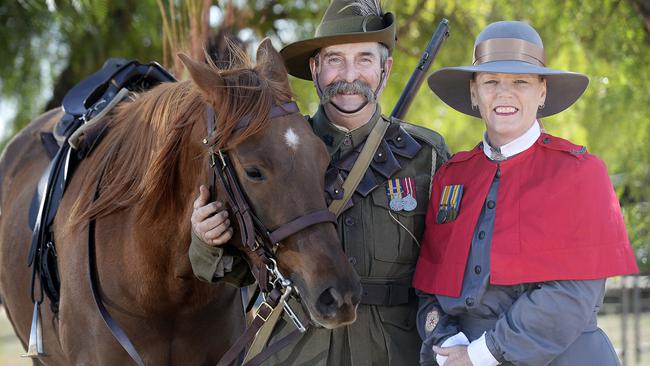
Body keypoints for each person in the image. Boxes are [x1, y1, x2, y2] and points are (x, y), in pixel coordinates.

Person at [189, 0, 450, 365]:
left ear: (385, 68)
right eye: (334, 60)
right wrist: (206, 240)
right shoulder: (275, 152)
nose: (350, 75)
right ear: (315, 69)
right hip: (296, 351)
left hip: (391, 351)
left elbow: (451, 266)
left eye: (364, 59)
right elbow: (233, 272)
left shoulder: (427, 154)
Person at [412, 20, 639, 366]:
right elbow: (428, 287)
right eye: (491, 82)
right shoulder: (451, 177)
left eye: (521, 82)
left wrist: (478, 355)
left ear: (542, 92)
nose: (505, 94)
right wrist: (445, 343)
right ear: (474, 93)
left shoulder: (581, 172)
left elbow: (572, 296)